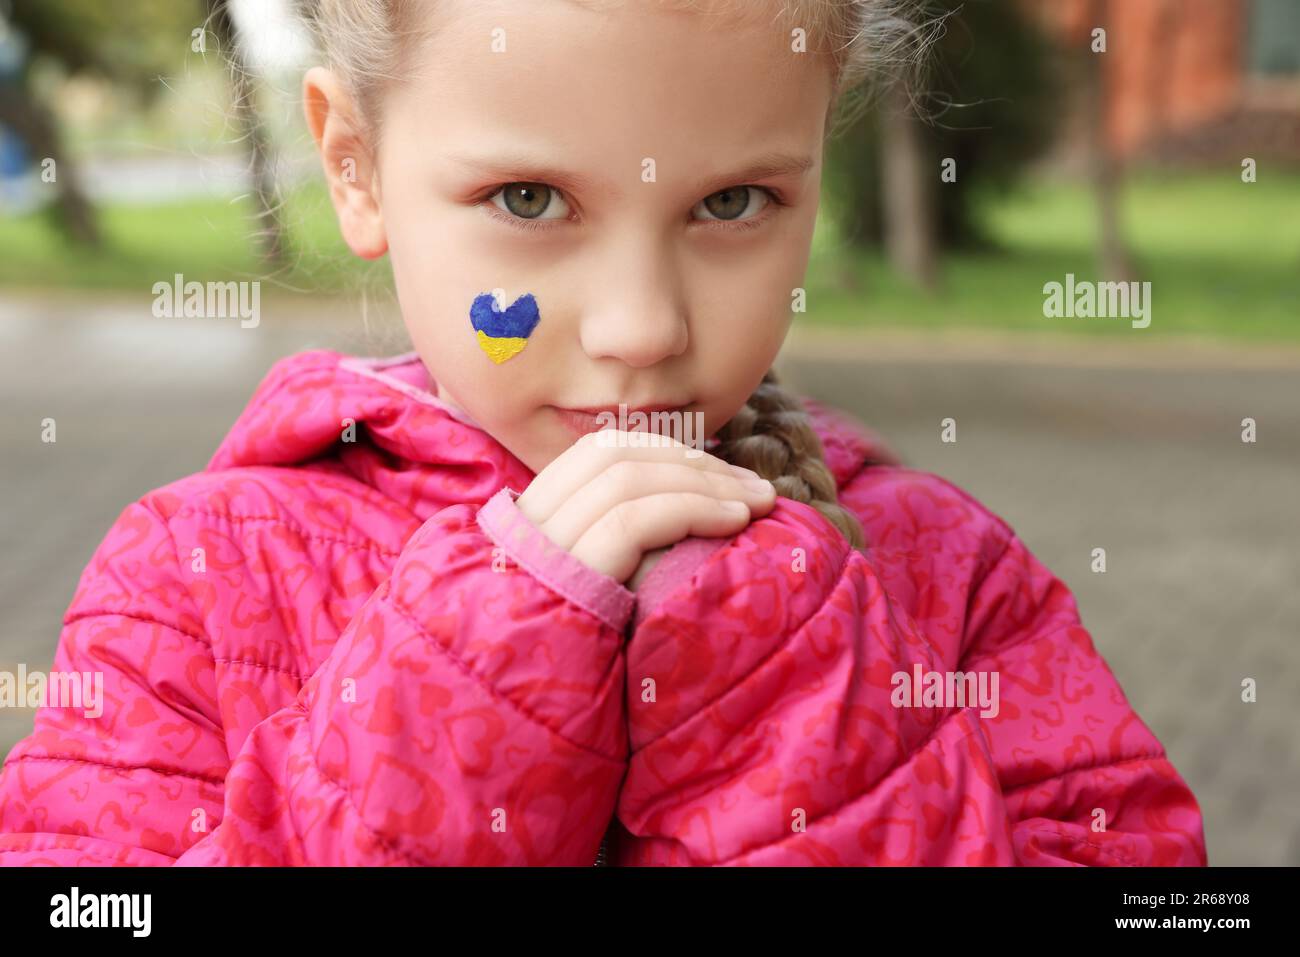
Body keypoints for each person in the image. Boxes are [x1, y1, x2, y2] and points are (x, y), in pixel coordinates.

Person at [0, 0, 1206, 866]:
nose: (641, 328)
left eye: (732, 202)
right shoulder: (192, 579)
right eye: (528, 200)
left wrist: (781, 685)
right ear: (355, 166)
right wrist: (467, 685)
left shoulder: (949, 577)